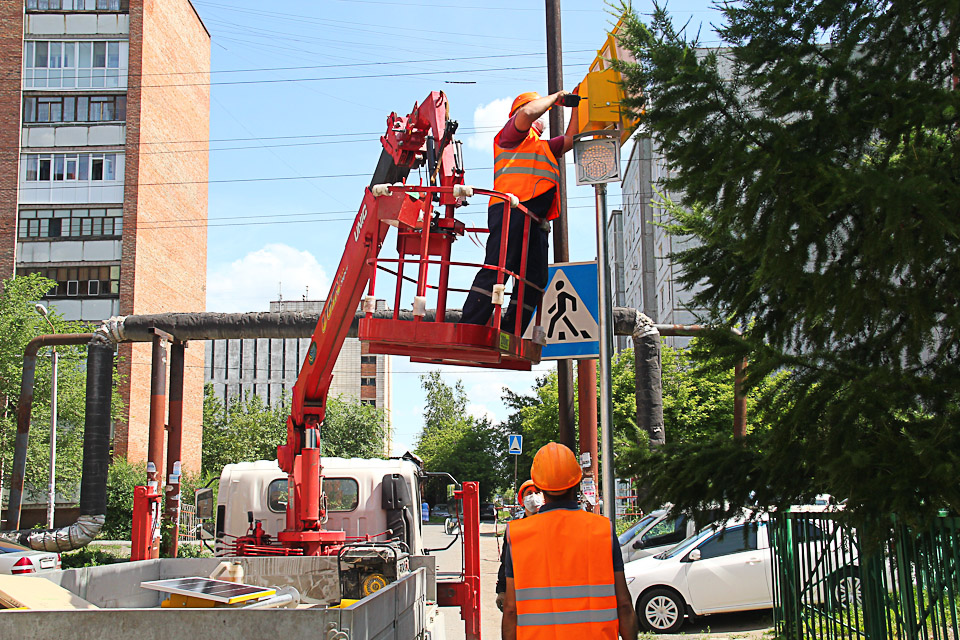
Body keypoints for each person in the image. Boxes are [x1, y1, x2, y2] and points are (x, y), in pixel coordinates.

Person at [460, 90, 580, 334]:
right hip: (510, 209)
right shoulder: (510, 135)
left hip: (533, 217)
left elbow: (570, 139)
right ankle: (470, 326)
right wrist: (556, 98)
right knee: (499, 268)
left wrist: (576, 105)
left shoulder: (542, 147)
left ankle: (510, 331)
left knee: (534, 279)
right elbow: (526, 113)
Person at [501, 443, 638, 640]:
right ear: (576, 481)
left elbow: (511, 609)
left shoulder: (518, 534)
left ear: (539, 486)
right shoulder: (602, 530)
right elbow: (624, 604)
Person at [496, 480, 544, 611]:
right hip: (521, 591)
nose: (534, 496)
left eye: (537, 492)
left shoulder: (551, 526)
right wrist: (502, 590)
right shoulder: (514, 529)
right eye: (529, 493)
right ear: (522, 500)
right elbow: (506, 562)